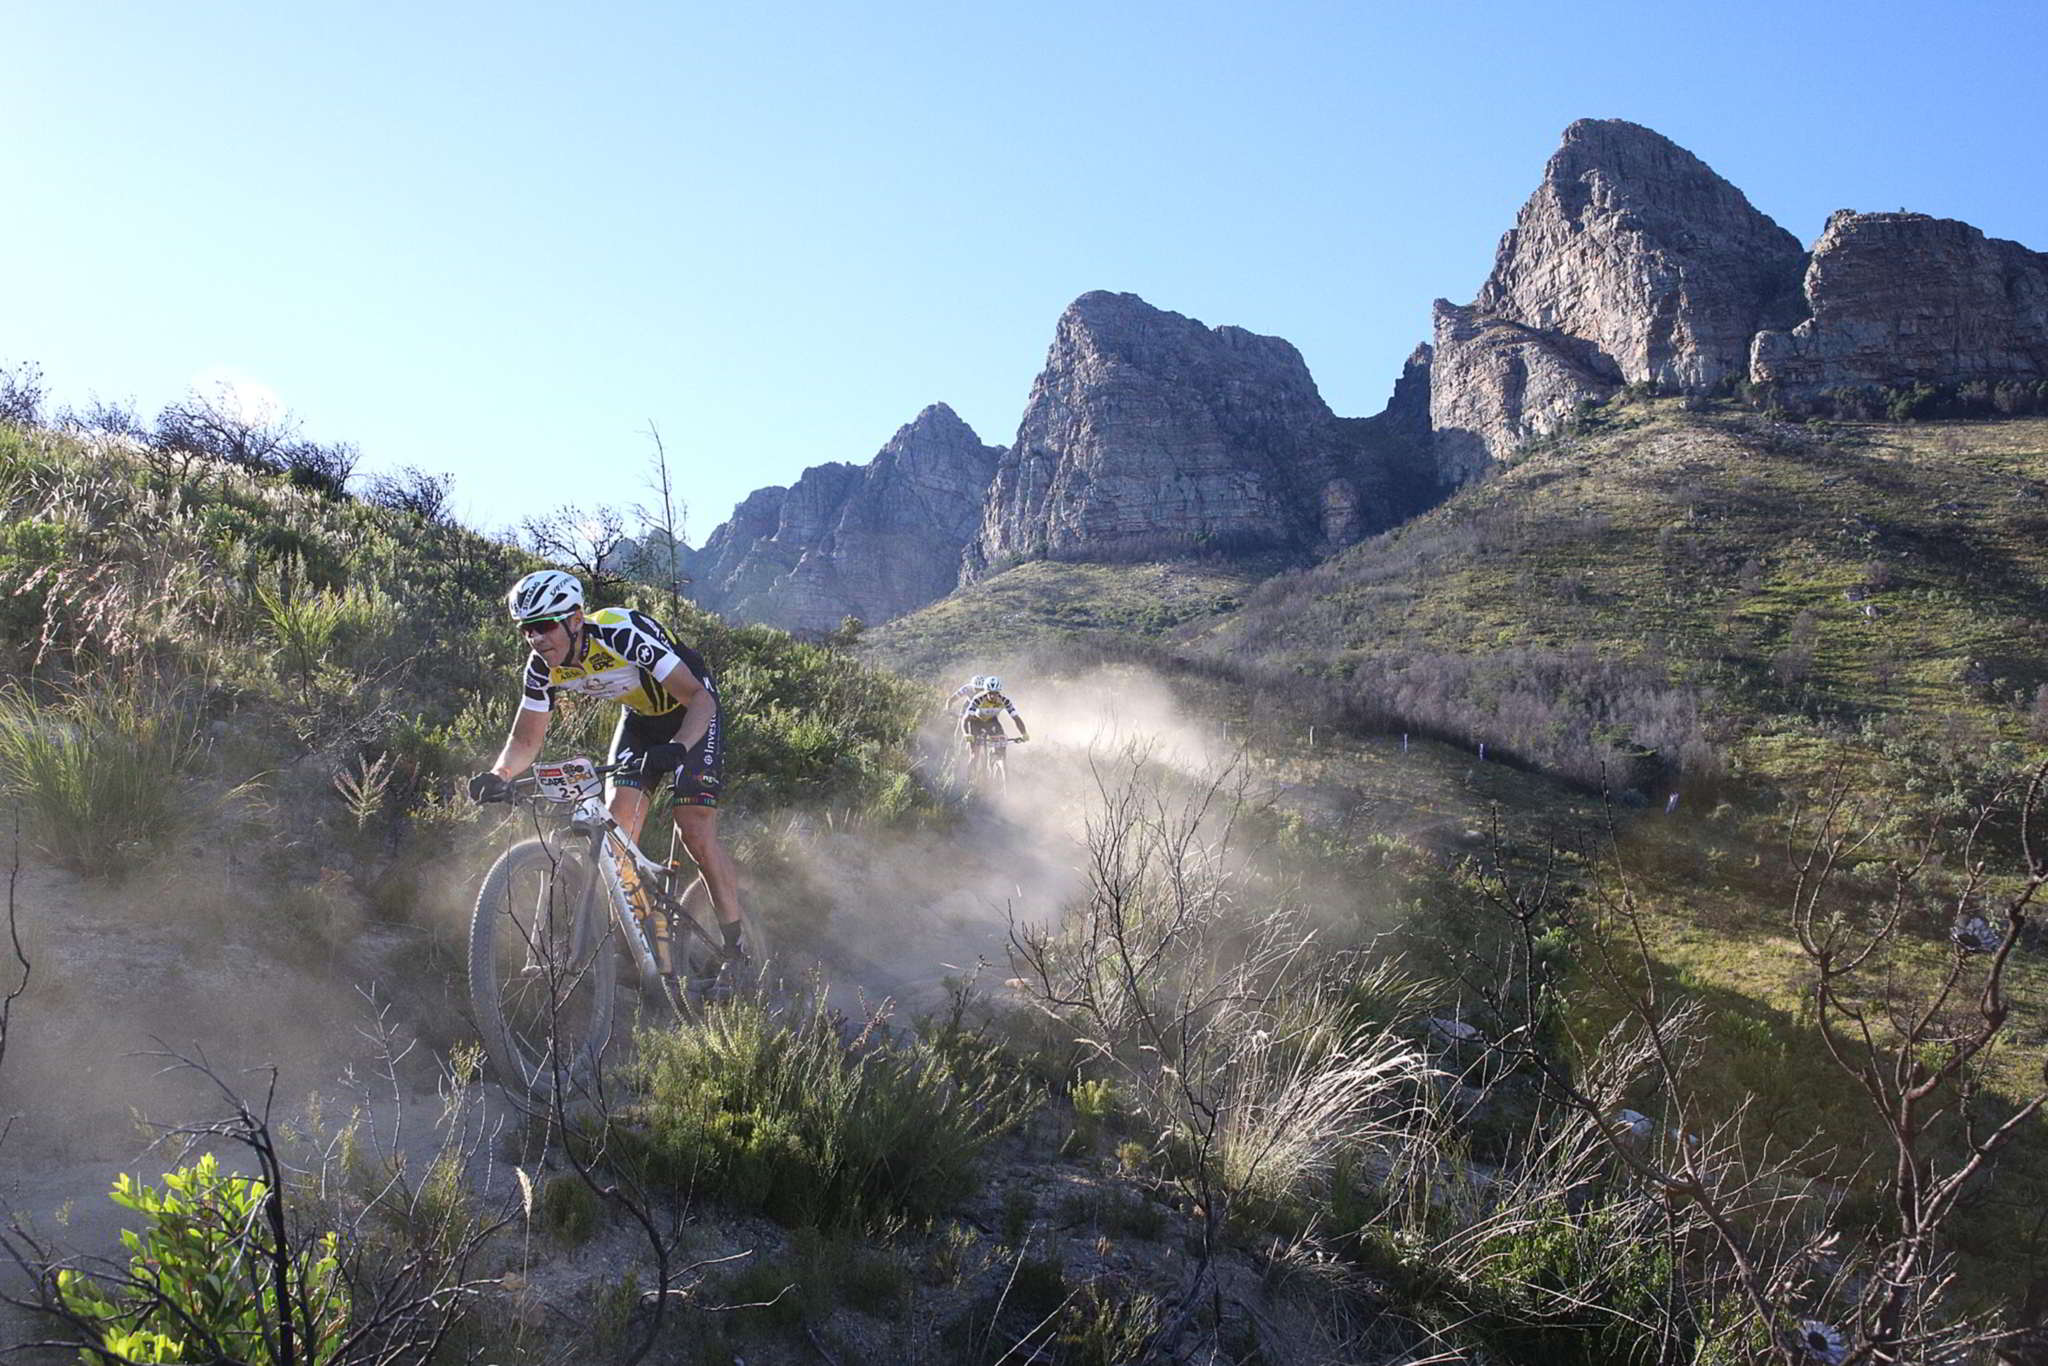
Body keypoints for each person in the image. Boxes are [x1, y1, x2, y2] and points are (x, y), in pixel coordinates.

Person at [468, 569, 749, 965]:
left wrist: (680, 747)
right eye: (526, 629)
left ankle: (736, 949)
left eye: (545, 625)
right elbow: (525, 740)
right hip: (640, 721)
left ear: (576, 619)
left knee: (694, 828)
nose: (536, 638)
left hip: (692, 710)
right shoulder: (540, 666)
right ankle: (650, 941)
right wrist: (500, 775)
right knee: (618, 834)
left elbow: (700, 699)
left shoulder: (620, 635)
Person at [960, 674, 1029, 750]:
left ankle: (999, 759)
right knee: (974, 756)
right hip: (976, 722)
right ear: (986, 692)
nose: (993, 696)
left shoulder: (1005, 701)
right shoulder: (978, 699)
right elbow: (966, 719)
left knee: (1001, 746)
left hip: (992, 721)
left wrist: (1024, 733)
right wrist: (966, 734)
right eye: (990, 693)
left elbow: (1016, 718)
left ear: (999, 692)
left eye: (995, 693)